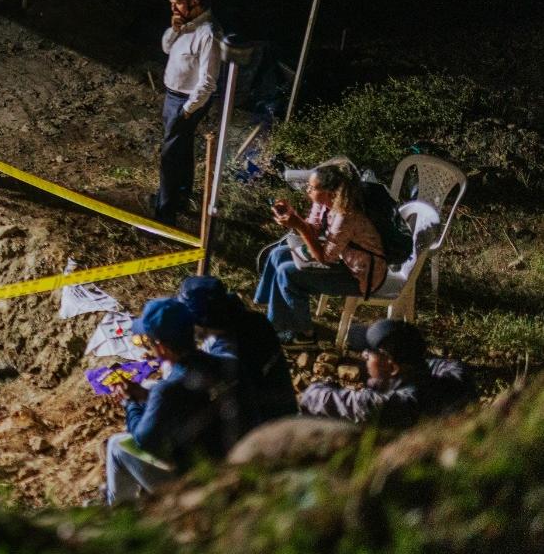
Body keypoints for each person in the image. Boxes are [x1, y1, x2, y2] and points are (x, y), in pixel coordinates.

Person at [103, 298, 242, 505]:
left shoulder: (168, 389)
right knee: (150, 387)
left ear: (162, 348)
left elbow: (143, 440)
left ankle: (120, 518)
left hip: (194, 481)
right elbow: (184, 400)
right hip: (229, 459)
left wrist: (130, 402)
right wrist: (145, 395)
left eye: (149, 342)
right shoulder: (219, 362)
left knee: (116, 446)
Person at [254, 163, 388, 345]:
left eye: (312, 187)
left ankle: (304, 335)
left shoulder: (346, 215)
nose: (307, 190)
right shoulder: (323, 204)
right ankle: (272, 311)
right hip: (343, 259)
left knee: (288, 272)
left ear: (330, 193)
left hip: (361, 275)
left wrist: (299, 226)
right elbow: (314, 229)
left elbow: (325, 257)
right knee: (278, 253)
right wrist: (292, 216)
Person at [299, 320, 474, 429]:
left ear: (392, 366)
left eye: (370, 353)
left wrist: (323, 385)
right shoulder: (457, 381)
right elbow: (443, 365)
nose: (363, 355)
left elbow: (317, 397)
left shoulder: (397, 405)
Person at [178, 275, 296, 431]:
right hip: (285, 411)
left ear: (201, 322)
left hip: (262, 430)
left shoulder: (229, 352)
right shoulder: (254, 320)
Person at [152, 0, 221, 225]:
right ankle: (181, 197)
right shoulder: (185, 25)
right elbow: (166, 47)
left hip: (186, 101)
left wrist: (188, 110)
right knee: (182, 147)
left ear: (196, 1)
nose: (173, 5)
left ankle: (164, 212)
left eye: (178, 1)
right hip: (174, 97)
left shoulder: (208, 34)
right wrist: (174, 29)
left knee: (170, 155)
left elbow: (208, 82)